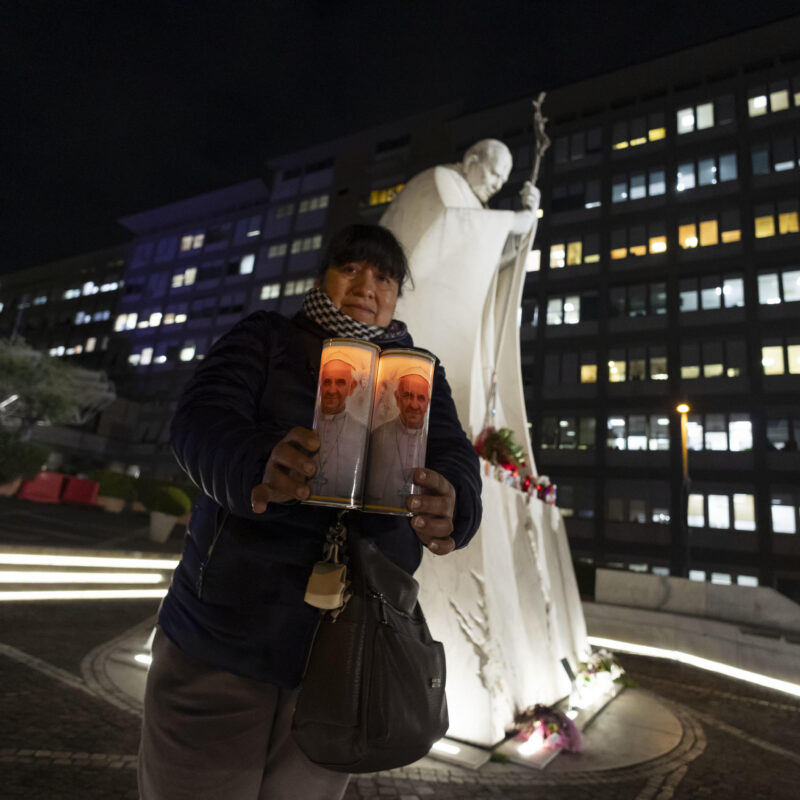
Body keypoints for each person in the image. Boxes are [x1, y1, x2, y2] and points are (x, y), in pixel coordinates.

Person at [138, 223, 482, 800]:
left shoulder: (420, 374)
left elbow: (452, 452)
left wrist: (456, 501)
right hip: (227, 629)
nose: (366, 286)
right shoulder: (267, 336)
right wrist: (259, 465)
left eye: (384, 277)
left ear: (397, 295)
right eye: (350, 269)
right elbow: (200, 422)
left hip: (349, 649)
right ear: (325, 276)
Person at [380, 138, 540, 462]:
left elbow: (483, 261)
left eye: (501, 180)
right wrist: (511, 221)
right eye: (493, 174)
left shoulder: (475, 203)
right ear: (472, 160)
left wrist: (525, 224)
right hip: (419, 310)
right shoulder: (440, 180)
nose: (495, 185)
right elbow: (450, 231)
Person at [365, 371, 431, 511]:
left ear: (427, 404)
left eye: (420, 398)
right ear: (397, 398)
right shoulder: (378, 436)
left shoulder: (432, 442)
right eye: (407, 396)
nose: (414, 405)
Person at [309, 356, 367, 501]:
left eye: (340, 382)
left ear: (351, 387)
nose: (332, 390)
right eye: (327, 382)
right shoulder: (305, 421)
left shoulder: (361, 432)